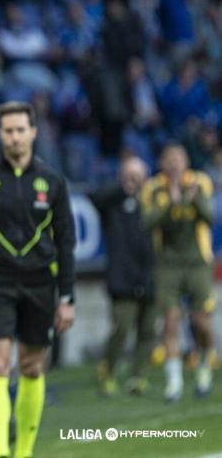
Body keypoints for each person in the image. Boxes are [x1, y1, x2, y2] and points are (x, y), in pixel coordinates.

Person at [0, 101, 76, 458]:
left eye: (21, 130)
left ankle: (24, 452)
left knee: (32, 366)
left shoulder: (52, 182)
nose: (15, 137)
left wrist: (67, 297)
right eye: (8, 131)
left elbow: (66, 241)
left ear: (33, 132)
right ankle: (0, 452)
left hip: (40, 283)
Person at [140, 143, 216, 402]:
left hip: (197, 262)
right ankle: (174, 382)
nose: (174, 164)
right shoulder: (153, 188)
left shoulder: (200, 182)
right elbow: (146, 223)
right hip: (168, 264)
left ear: (186, 162)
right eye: (169, 159)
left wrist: (194, 199)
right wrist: (168, 204)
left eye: (179, 159)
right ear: (161, 162)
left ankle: (204, 363)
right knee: (170, 321)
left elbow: (211, 218)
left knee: (201, 322)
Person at [89, 156, 155, 396]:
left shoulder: (152, 200)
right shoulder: (113, 202)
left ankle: (138, 377)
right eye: (129, 174)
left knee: (147, 331)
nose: (134, 180)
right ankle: (108, 372)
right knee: (121, 329)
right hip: (121, 278)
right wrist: (122, 188)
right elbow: (94, 198)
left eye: (138, 175)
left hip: (149, 276)